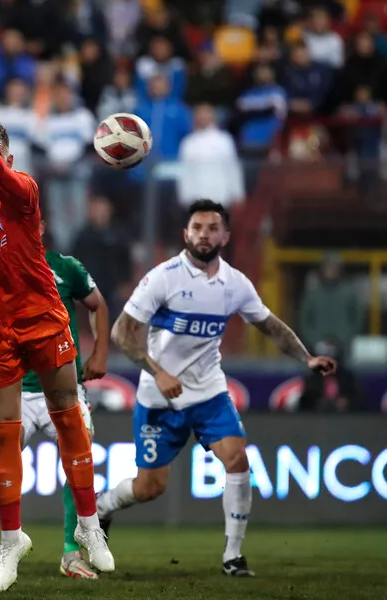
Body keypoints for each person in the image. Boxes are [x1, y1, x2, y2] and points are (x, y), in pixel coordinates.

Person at [105, 199, 337, 578]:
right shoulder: (164, 277)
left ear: (225, 236)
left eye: (212, 228)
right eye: (197, 227)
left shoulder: (235, 284)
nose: (204, 234)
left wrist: (306, 358)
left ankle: (233, 555)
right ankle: (103, 507)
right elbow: (121, 333)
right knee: (149, 488)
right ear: (186, 234)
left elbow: (271, 326)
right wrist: (157, 371)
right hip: (159, 396)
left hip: (209, 392)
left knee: (237, 459)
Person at [0, 111, 113, 593]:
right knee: (0, 440)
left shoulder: (24, 191)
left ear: (7, 159)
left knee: (70, 418)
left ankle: (87, 528)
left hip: (41, 322)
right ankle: (9, 538)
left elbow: (99, 306)